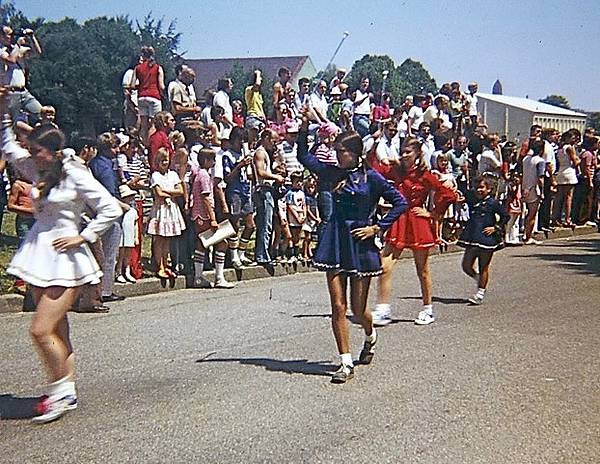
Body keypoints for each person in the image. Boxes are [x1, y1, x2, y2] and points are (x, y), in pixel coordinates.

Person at [1, 114, 122, 423]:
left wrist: (84, 235)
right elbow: (9, 147)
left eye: (37, 151)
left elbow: (109, 207)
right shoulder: (38, 169)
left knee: (40, 330)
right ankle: (65, 390)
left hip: (66, 258)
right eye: (31, 150)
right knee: (57, 328)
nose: (32, 156)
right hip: (37, 255)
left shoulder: (74, 173)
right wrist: (4, 112)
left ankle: (59, 391)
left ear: (53, 151)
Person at [297, 111, 408, 384]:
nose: (336, 155)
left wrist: (377, 227)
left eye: (341, 151)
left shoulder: (372, 178)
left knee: (358, 311)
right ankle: (345, 363)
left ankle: (370, 336)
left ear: (355, 153)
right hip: (335, 240)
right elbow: (303, 156)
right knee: (338, 306)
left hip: (359, 243)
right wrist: (304, 127)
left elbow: (400, 202)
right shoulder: (330, 172)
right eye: (335, 150)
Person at [369, 137, 458, 326]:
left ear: (417, 153)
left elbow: (448, 194)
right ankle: (383, 310)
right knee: (384, 265)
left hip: (418, 222)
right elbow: (373, 168)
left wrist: (433, 214)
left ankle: (428, 309)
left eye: (408, 152)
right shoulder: (396, 170)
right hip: (399, 219)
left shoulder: (425, 175)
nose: (404, 155)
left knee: (422, 270)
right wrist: (375, 145)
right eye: (402, 151)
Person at [458, 175, 509, 305]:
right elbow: (461, 193)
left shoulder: (493, 203)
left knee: (483, 266)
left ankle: (480, 293)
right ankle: (479, 279)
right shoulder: (472, 198)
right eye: (476, 187)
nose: (478, 190)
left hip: (487, 239)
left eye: (481, 187)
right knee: (466, 265)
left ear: (489, 189)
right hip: (472, 235)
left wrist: (495, 227)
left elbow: (505, 216)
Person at [88, 132, 127, 304]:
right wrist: (123, 206)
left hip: (96, 214)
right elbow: (109, 194)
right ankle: (106, 290)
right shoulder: (104, 167)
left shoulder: (96, 164)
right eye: (114, 147)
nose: (117, 150)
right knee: (109, 254)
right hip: (109, 215)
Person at [190, 148, 235, 288]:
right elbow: (205, 198)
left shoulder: (201, 174)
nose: (214, 162)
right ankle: (219, 278)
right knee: (222, 243)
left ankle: (199, 277)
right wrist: (213, 218)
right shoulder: (204, 175)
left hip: (199, 215)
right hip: (204, 215)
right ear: (206, 160)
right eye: (212, 160)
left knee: (202, 244)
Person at [147, 148, 186, 278]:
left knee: (168, 239)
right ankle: (160, 266)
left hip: (171, 208)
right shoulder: (155, 175)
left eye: (166, 160)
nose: (164, 162)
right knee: (159, 239)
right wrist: (170, 192)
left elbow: (180, 191)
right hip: (160, 209)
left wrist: (166, 191)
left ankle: (165, 264)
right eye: (162, 160)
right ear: (157, 161)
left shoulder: (173, 175)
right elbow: (158, 193)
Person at [222, 126, 255, 268]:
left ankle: (241, 253)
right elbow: (227, 177)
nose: (242, 143)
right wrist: (240, 165)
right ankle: (233, 256)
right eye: (239, 140)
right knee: (235, 224)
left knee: (250, 225)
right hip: (234, 191)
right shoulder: (227, 155)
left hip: (246, 190)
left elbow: (250, 175)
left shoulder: (245, 153)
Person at [252, 128, 285, 267]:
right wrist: (276, 177)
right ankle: (262, 256)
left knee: (267, 223)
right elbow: (260, 172)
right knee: (265, 224)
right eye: (273, 141)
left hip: (268, 189)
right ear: (266, 138)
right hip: (263, 189)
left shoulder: (266, 153)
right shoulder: (260, 152)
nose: (274, 144)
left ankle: (264, 253)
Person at [0, 26, 43, 124]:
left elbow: (37, 52)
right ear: (1, 36)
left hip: (24, 91)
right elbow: (11, 60)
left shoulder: (16, 49)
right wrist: (18, 44)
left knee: (42, 114)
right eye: (10, 34)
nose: (12, 37)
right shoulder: (2, 50)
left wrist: (32, 37)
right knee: (11, 123)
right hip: (10, 94)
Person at [130, 46, 165, 144]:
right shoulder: (157, 67)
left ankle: (143, 146)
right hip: (154, 96)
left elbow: (132, 85)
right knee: (153, 125)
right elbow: (161, 86)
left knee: (144, 125)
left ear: (143, 55)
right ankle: (151, 146)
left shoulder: (137, 68)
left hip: (141, 97)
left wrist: (140, 86)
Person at [552, 129, 581, 227]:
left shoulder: (560, 148)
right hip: (569, 172)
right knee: (568, 197)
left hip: (561, 171)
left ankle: (555, 217)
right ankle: (567, 219)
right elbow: (575, 161)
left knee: (559, 197)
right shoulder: (569, 148)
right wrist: (578, 159)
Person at [521, 138, 546, 244]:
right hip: (534, 189)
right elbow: (540, 178)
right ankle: (528, 237)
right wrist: (542, 191)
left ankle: (524, 233)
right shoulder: (540, 161)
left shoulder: (525, 159)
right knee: (532, 214)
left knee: (525, 213)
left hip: (524, 187)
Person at [115, 184, 138, 283]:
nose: (129, 199)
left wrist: (136, 236)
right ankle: (118, 271)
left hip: (129, 235)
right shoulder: (118, 210)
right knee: (120, 254)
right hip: (121, 235)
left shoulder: (133, 211)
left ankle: (127, 271)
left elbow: (135, 224)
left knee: (128, 254)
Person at [284, 171, 307, 263]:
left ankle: (297, 254)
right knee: (293, 236)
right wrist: (296, 217)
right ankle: (291, 254)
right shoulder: (290, 193)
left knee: (298, 236)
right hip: (293, 217)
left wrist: (304, 215)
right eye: (297, 181)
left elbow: (304, 205)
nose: (299, 183)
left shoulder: (302, 193)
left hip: (301, 216)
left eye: (300, 181)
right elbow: (289, 206)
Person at [245, 70, 266, 146]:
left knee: (259, 141)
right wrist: (258, 73)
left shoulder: (259, 94)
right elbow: (257, 84)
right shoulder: (249, 90)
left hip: (260, 119)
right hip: (253, 117)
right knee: (252, 140)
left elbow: (260, 107)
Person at [302, 175, 320, 261]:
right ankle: (305, 252)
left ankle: (309, 252)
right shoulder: (307, 198)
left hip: (314, 220)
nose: (310, 190)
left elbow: (316, 208)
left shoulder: (314, 198)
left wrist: (318, 217)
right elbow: (308, 210)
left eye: (312, 188)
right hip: (308, 220)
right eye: (308, 188)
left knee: (311, 238)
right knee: (307, 237)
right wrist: (314, 218)